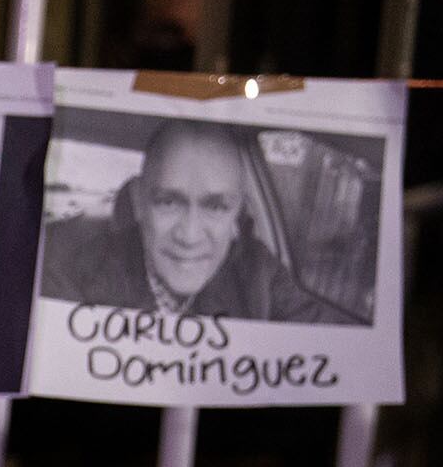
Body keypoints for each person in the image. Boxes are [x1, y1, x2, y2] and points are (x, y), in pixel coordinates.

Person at [38, 118, 351, 323]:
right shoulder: (73, 278)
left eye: (215, 207)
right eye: (168, 202)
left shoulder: (259, 272)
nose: (189, 236)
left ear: (237, 213)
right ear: (138, 201)